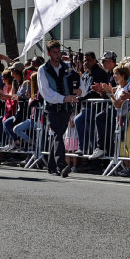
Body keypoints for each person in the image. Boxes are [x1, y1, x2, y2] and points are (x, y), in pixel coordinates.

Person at [36, 40, 82, 178]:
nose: (58, 55)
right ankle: (61, 164)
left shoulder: (67, 67)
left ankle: (51, 166)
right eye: (54, 53)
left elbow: (75, 81)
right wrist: (63, 98)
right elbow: (45, 91)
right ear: (49, 54)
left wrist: (78, 91)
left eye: (59, 52)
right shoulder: (43, 69)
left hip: (66, 107)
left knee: (59, 134)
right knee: (57, 133)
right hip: (52, 107)